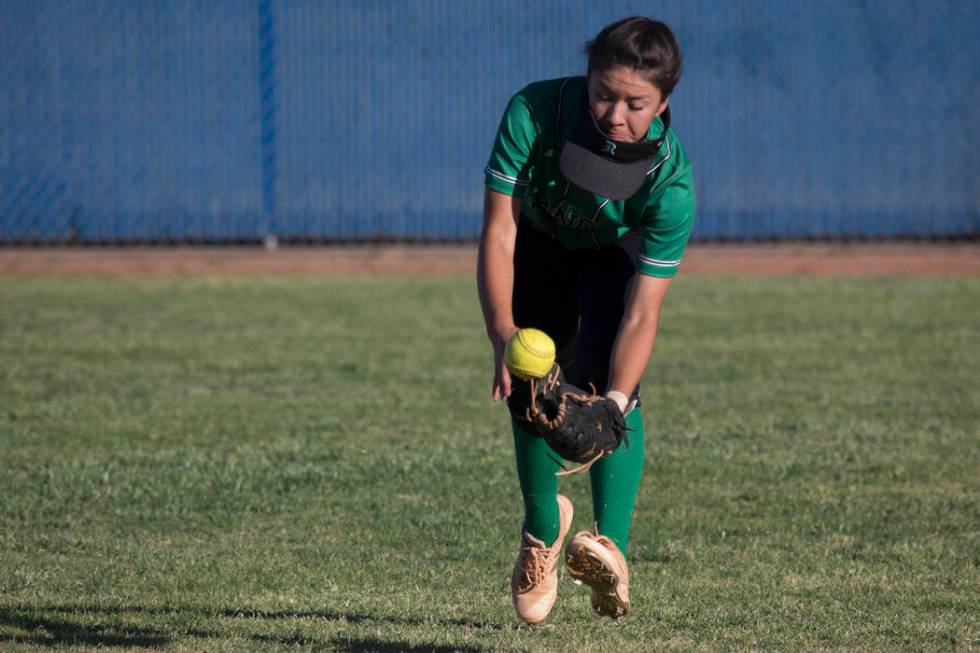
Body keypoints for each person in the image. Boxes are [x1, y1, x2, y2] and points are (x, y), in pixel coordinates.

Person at [476, 16, 695, 623]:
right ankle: (543, 530)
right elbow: (499, 232)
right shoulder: (535, 111)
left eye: (636, 103)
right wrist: (501, 332)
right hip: (539, 240)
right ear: (587, 77)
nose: (615, 114)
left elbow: (643, 311)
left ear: (664, 101)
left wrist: (617, 402)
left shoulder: (670, 185)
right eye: (604, 93)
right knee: (534, 379)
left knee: (606, 380)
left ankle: (611, 550)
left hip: (612, 250)